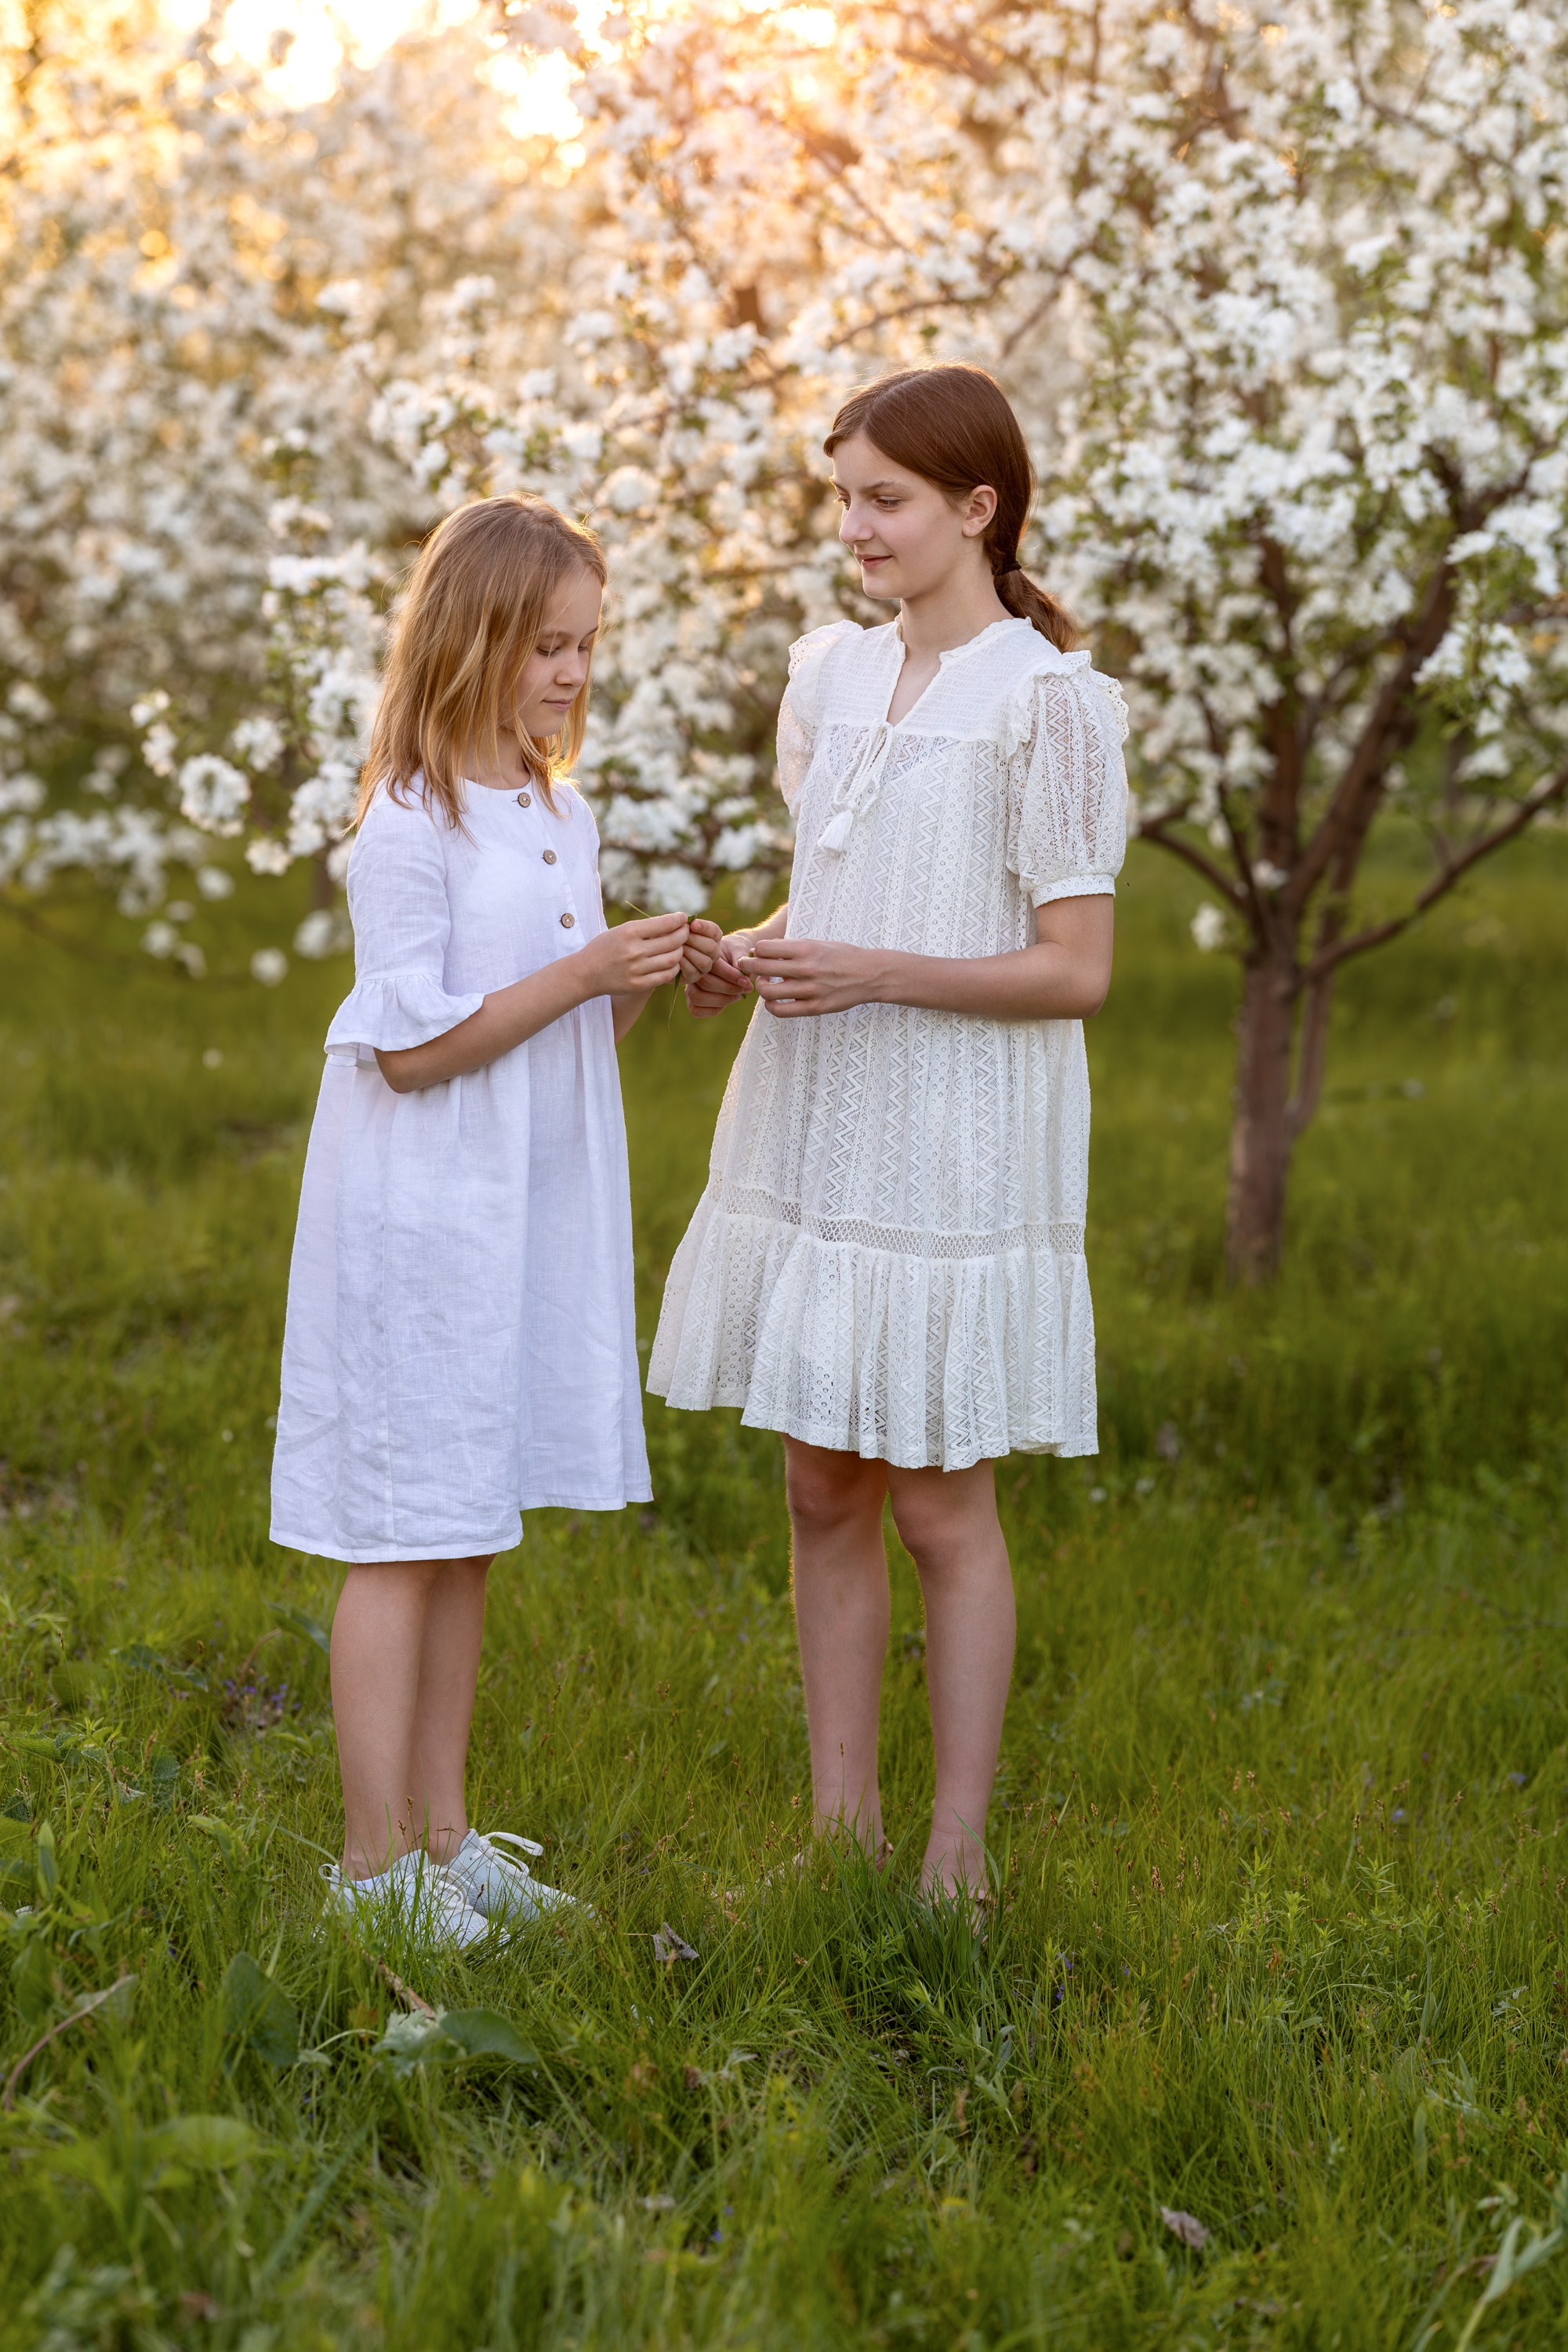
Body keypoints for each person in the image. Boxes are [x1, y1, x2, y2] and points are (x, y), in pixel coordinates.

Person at [655, 365, 1128, 1904]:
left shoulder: (1048, 705)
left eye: (885, 499)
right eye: (842, 495)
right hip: (817, 1114)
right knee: (818, 1483)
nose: (852, 527)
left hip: (952, 1130)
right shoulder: (829, 678)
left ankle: (955, 1855)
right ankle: (837, 1832)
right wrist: (765, 950)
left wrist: (869, 971)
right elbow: (846, 892)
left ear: (975, 508)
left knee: (938, 1496)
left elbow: (1076, 968)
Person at [270, 493, 694, 1950]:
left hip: (519, 1211)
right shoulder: (409, 825)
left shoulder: (555, 806)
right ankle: (370, 1869)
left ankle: (449, 1846)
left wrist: (641, 979)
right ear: (470, 641)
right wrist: (580, 984)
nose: (572, 676)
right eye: (544, 647)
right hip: (420, 1215)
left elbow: (564, 1039)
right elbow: (410, 1051)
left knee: (466, 1525)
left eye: (587, 645)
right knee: (398, 1530)